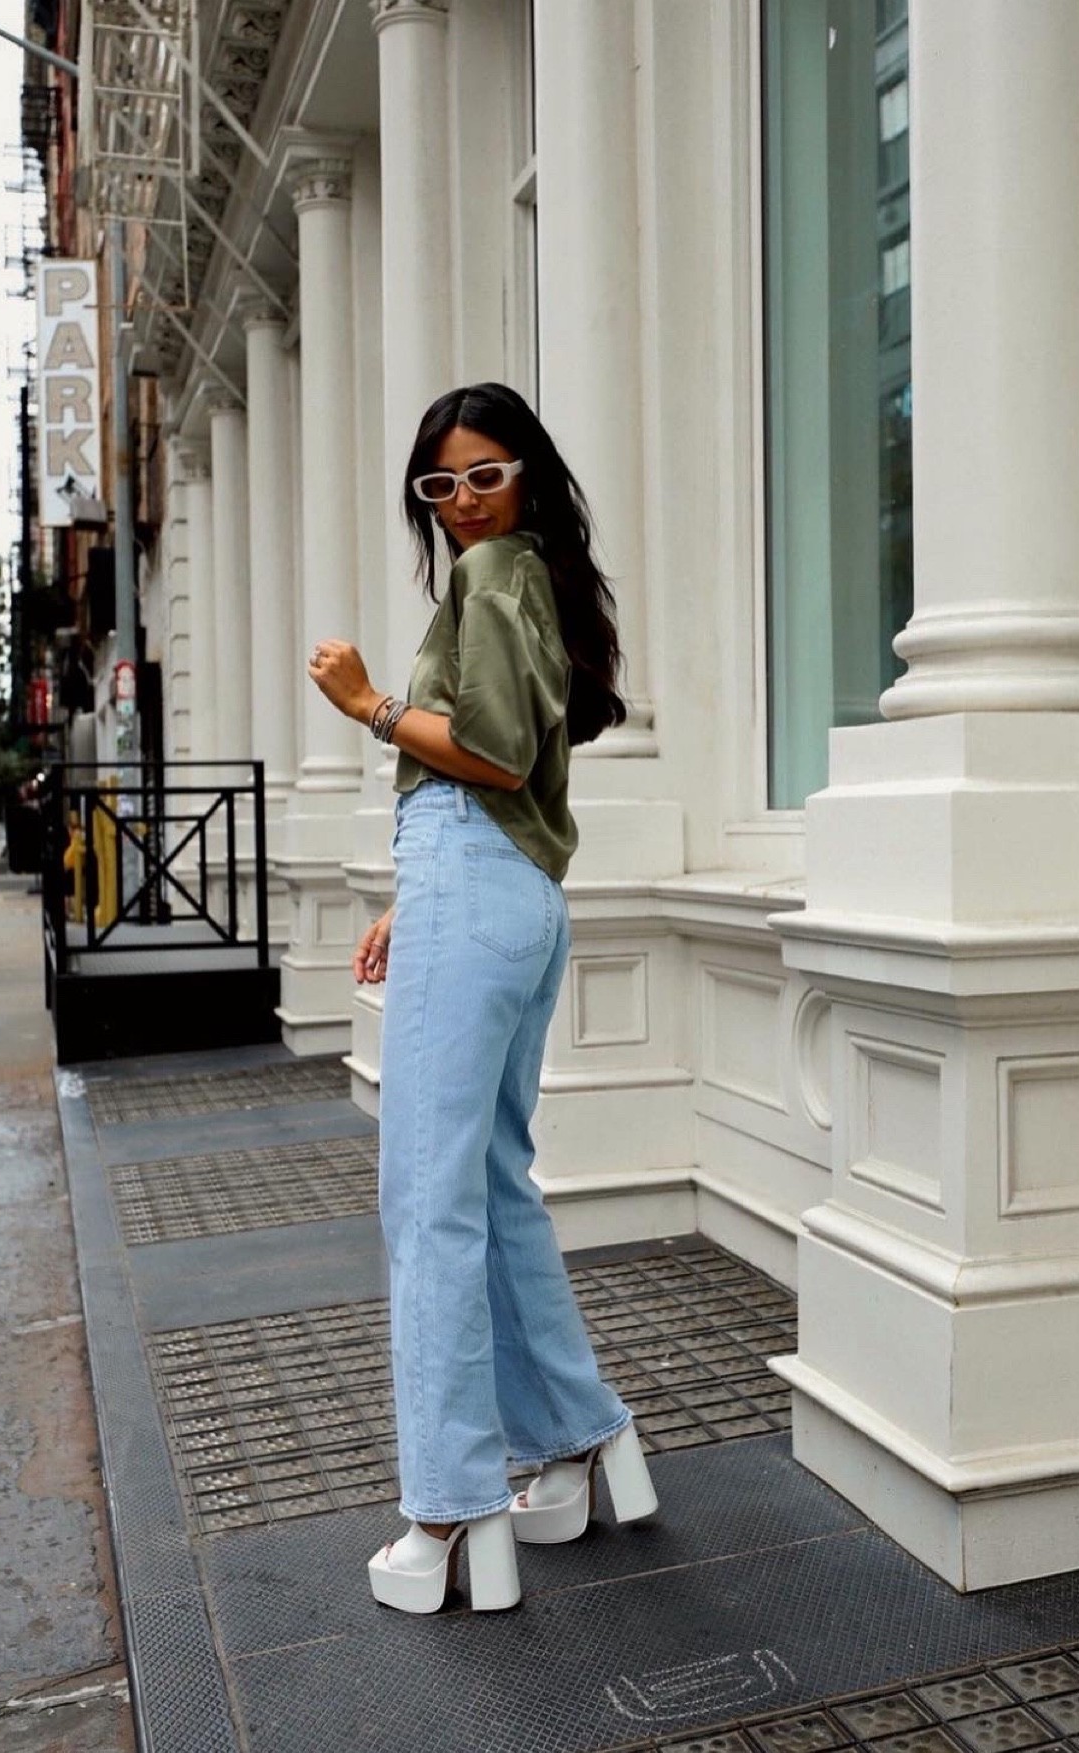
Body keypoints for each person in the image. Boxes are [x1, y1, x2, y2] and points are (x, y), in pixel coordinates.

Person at [308, 382, 658, 1617]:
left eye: (483, 476)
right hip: (503, 890)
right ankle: (579, 1444)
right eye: (439, 486)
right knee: (490, 1185)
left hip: (479, 878)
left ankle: (450, 1514)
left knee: (429, 1199)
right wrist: (422, 893)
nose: (461, 503)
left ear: (526, 476)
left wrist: (367, 707)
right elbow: (507, 783)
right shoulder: (530, 577)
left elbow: (495, 753)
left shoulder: (494, 577)